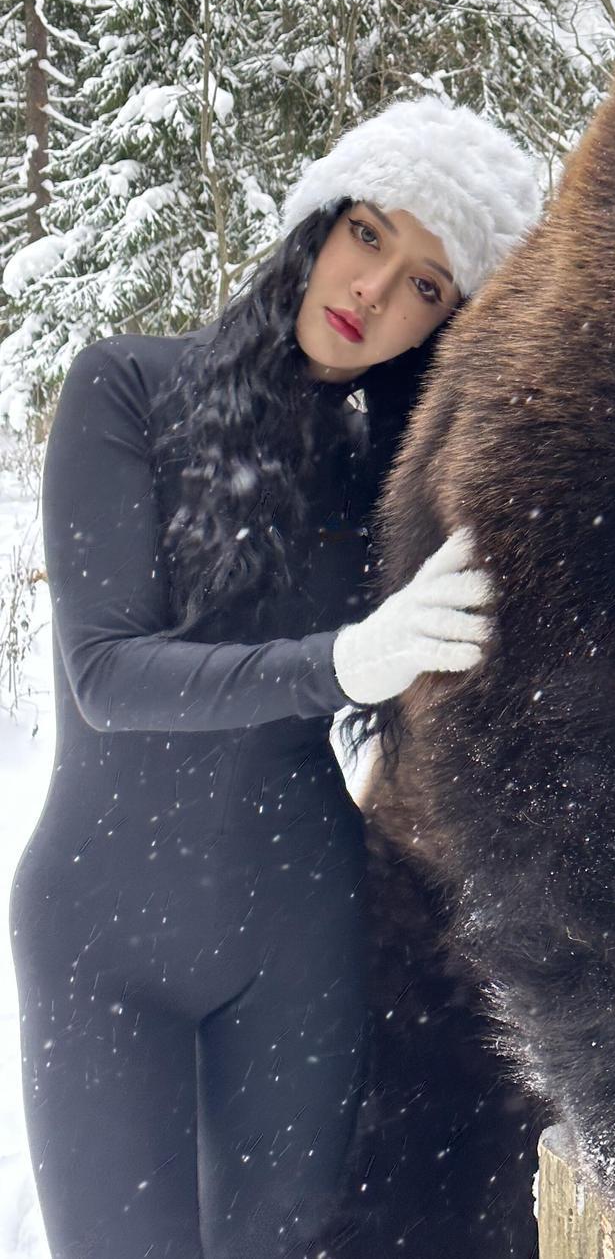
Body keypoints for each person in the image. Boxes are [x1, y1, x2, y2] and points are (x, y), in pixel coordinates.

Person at [9, 96, 543, 1259]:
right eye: (368, 233)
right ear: (318, 221)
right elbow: (106, 674)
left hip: (297, 932)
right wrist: (346, 658)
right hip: (100, 930)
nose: (373, 290)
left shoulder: (386, 491)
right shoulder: (124, 388)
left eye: (426, 284)